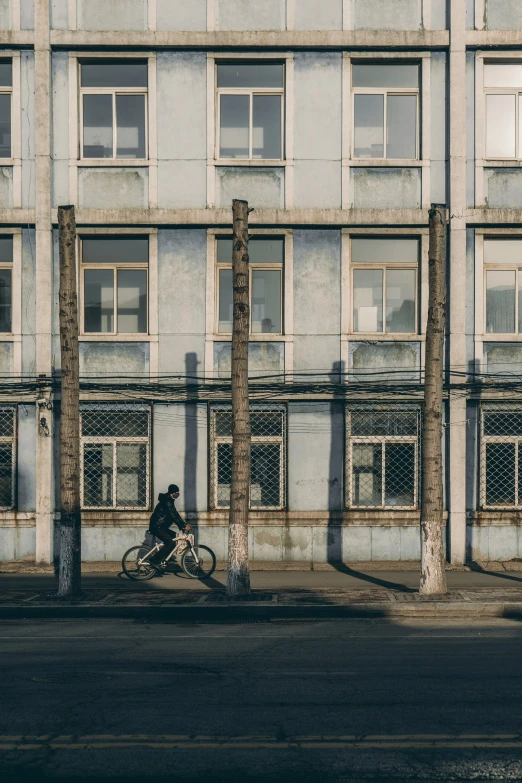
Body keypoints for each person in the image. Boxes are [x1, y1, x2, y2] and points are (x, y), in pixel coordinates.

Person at [149, 484, 191, 567]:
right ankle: (154, 560)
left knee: (174, 537)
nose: (177, 494)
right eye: (176, 493)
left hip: (161, 527)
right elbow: (173, 515)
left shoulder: (169, 500)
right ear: (172, 493)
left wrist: (183, 524)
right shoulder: (167, 501)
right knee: (170, 543)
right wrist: (183, 525)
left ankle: (165, 556)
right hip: (157, 527)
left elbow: (175, 514)